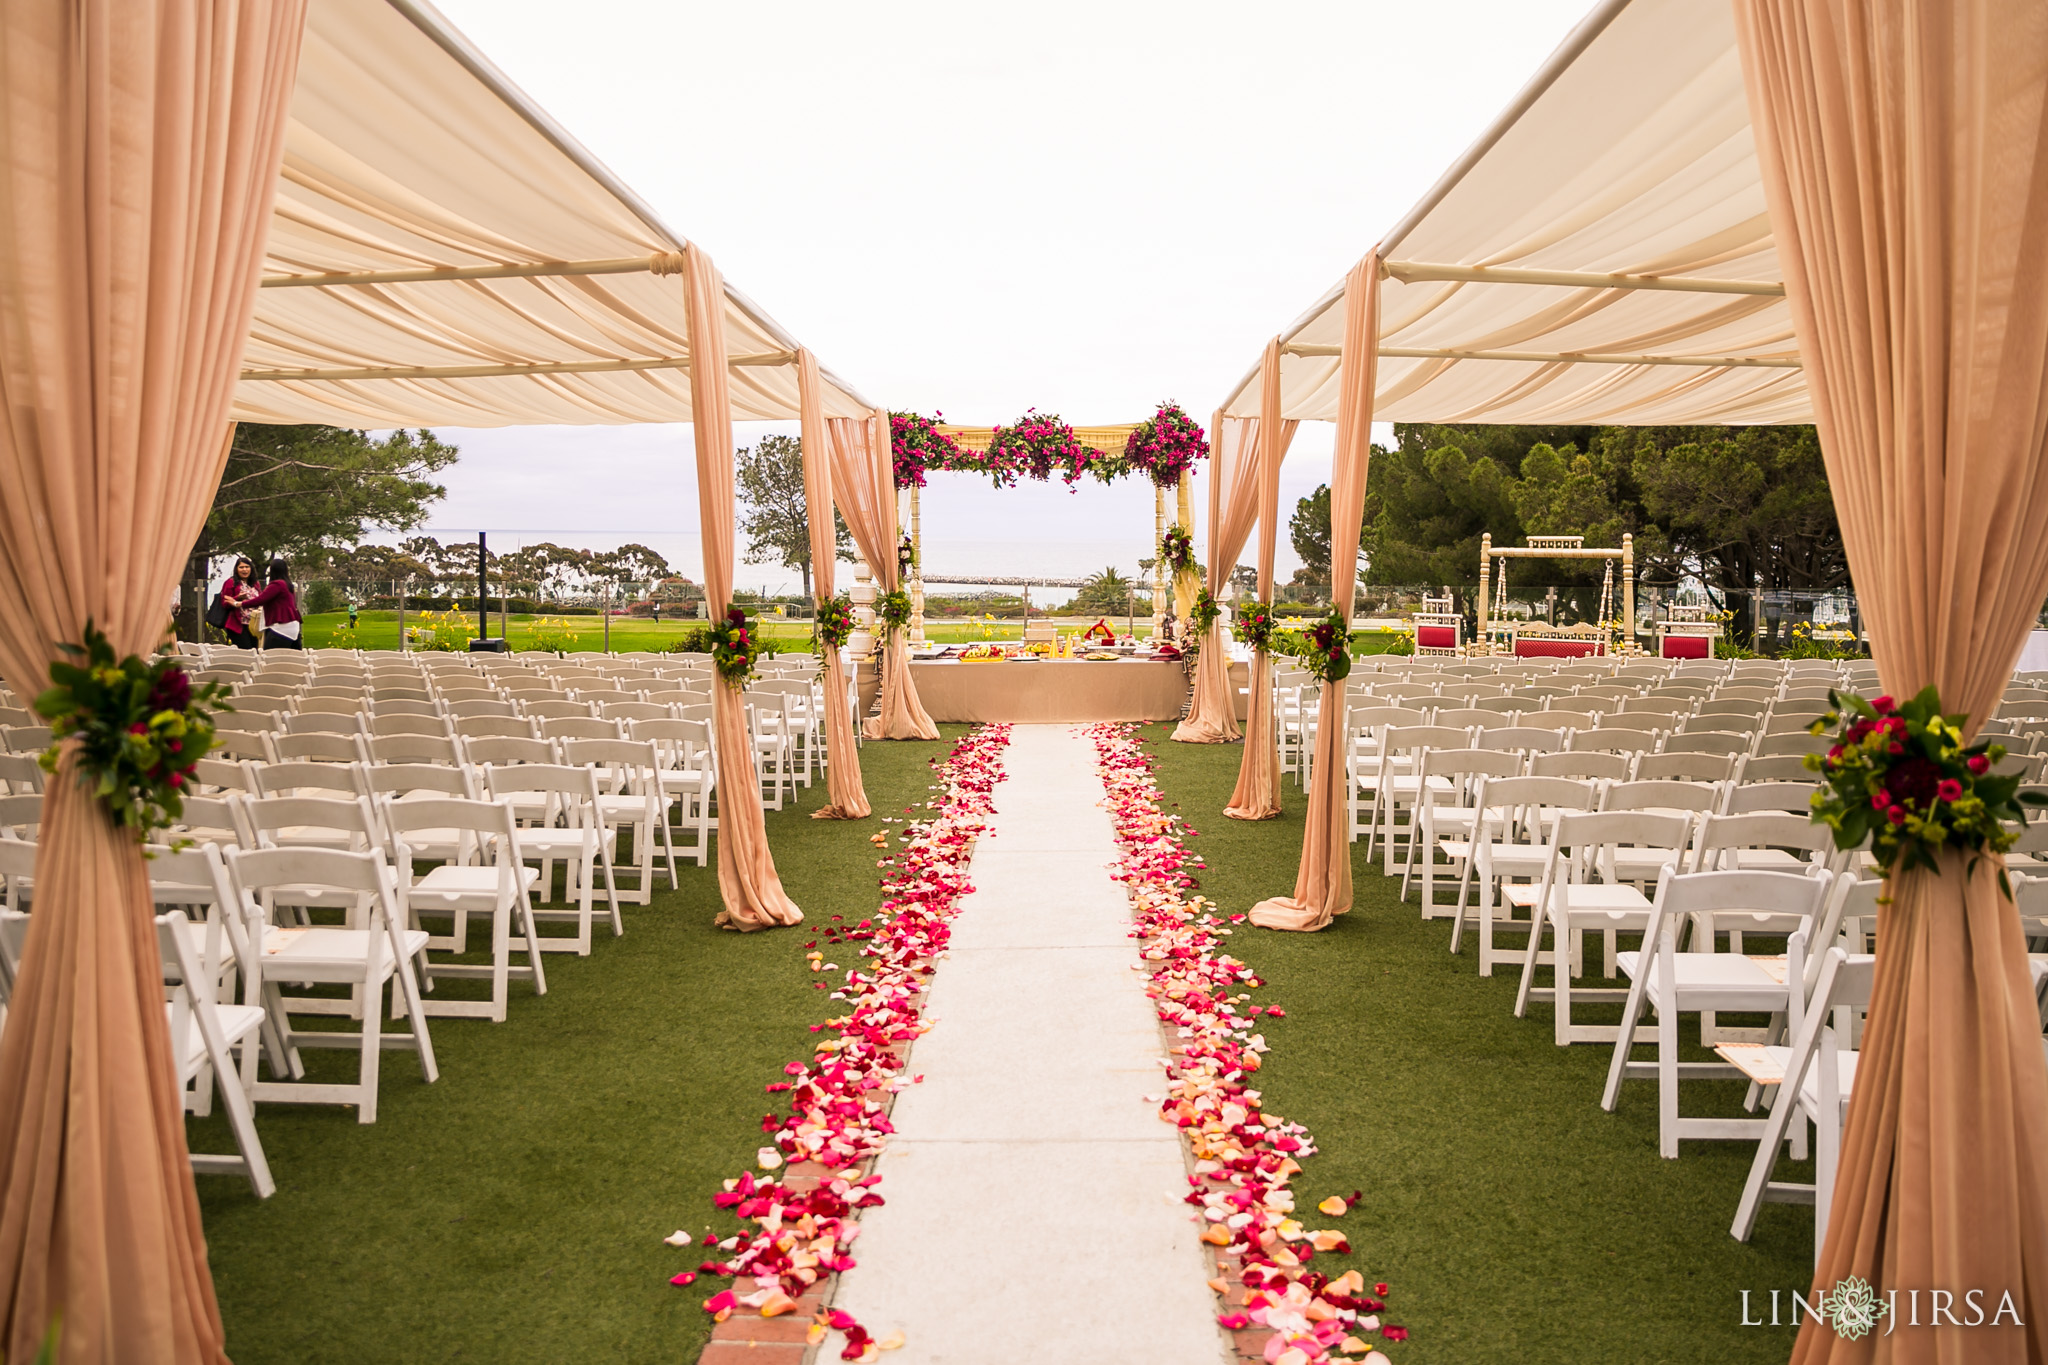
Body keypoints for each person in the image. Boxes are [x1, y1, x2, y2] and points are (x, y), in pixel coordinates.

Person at [242, 557, 304, 650]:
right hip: (294, 629)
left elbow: (260, 600)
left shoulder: (277, 584)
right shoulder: (288, 585)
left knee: (269, 658)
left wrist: (238, 603)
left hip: (280, 629)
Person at [214, 556, 261, 649]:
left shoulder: (255, 583)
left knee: (255, 650)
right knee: (246, 650)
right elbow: (224, 603)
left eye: (247, 567)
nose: (244, 570)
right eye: (241, 567)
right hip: (238, 625)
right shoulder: (231, 582)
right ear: (236, 569)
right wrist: (238, 598)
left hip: (254, 624)